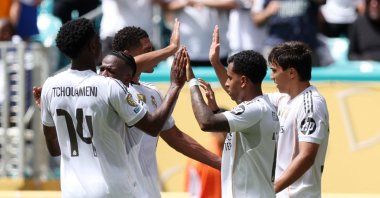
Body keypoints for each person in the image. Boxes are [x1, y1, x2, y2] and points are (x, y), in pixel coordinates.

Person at [39, 18, 187, 197]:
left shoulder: (50, 86)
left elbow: (54, 148)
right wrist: (175, 86)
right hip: (112, 191)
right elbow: (153, 126)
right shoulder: (109, 86)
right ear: (93, 45)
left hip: (71, 192)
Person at [112, 23, 221, 197]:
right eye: (148, 50)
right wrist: (171, 49)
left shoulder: (153, 93)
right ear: (127, 55)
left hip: (148, 191)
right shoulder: (111, 87)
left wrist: (221, 164)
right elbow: (123, 67)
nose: (156, 55)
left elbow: (177, 138)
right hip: (118, 191)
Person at [186, 45, 280, 197]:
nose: (227, 83)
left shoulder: (255, 109)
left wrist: (191, 81)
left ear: (243, 81)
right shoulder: (264, 106)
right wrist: (216, 111)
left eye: (230, 78)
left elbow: (206, 122)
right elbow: (234, 134)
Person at [266, 41, 330, 197]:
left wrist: (269, 190)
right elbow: (246, 97)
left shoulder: (311, 104)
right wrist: (217, 65)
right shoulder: (283, 98)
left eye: (274, 71)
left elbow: (306, 156)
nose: (271, 76)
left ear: (291, 73)